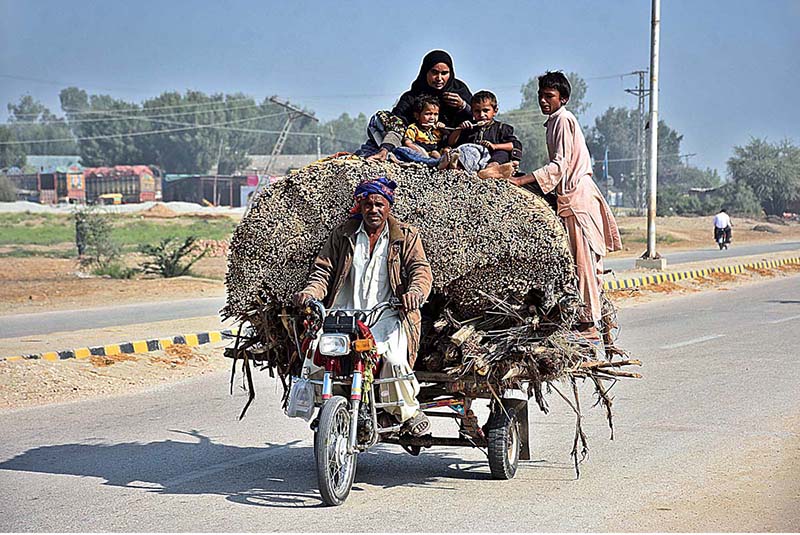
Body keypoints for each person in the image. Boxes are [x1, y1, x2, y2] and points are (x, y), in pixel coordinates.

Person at [292, 177, 433, 436]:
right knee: (316, 353)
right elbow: (323, 271)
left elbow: (420, 270)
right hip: (342, 316)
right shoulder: (343, 234)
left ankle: (407, 412)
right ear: (360, 205)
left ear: (389, 206)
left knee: (393, 360)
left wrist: (415, 292)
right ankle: (329, 410)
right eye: (368, 204)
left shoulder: (406, 236)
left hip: (387, 316)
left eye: (379, 204)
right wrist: (311, 292)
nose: (373, 210)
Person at [510, 72, 621, 344]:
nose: (543, 101)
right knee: (583, 263)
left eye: (549, 96)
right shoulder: (554, 123)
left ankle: (588, 325)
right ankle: (587, 316)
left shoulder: (563, 119)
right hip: (572, 196)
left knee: (582, 262)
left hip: (576, 197)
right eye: (541, 96)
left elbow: (559, 167)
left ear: (563, 99)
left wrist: (521, 180)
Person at [356, 50, 473, 162]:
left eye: (444, 73)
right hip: (416, 146)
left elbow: (481, 118)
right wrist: (385, 149)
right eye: (434, 72)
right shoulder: (411, 97)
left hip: (451, 146)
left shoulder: (459, 91)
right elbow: (397, 125)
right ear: (425, 72)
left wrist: (463, 106)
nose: (439, 78)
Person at [446, 90, 523, 178]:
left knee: (502, 153)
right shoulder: (469, 128)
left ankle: (492, 169)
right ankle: (457, 166)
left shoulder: (502, 128)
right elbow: (451, 143)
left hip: (492, 158)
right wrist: (459, 129)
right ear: (472, 112)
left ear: (495, 111)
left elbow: (514, 144)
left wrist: (495, 146)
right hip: (474, 161)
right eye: (477, 111)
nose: (482, 115)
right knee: (463, 150)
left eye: (486, 111)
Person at [391, 95, 449, 167]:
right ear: (417, 116)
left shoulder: (437, 130)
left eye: (435, 114)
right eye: (428, 114)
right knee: (401, 150)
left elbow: (449, 141)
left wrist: (444, 130)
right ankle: (436, 163)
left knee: (442, 152)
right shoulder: (414, 128)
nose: (432, 118)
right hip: (420, 154)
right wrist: (423, 153)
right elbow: (408, 143)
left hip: (435, 153)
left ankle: (446, 163)